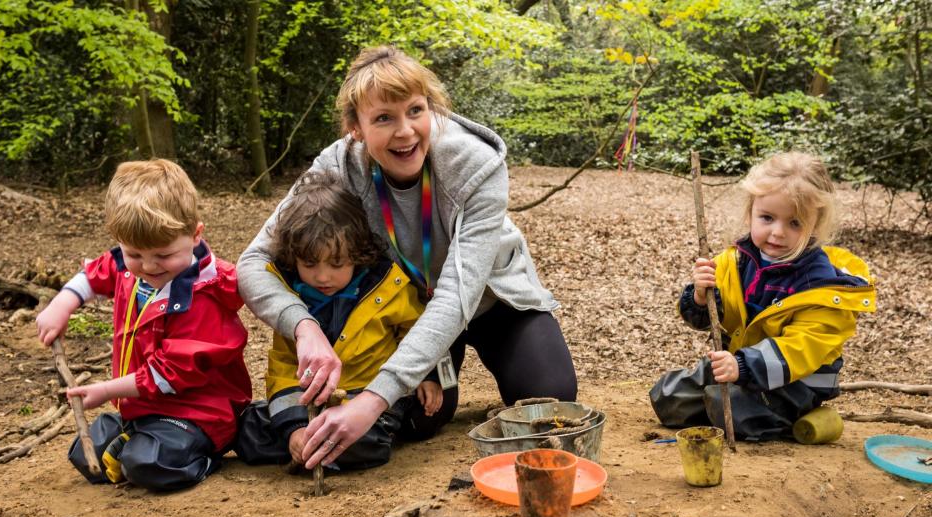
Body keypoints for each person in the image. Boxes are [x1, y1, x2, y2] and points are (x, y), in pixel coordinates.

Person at [237, 45, 576, 470]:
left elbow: (458, 294)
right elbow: (252, 263)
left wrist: (373, 401)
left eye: (415, 111)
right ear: (355, 129)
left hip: (490, 299)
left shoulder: (477, 164)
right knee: (424, 416)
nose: (405, 132)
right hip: (408, 311)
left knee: (550, 398)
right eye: (383, 118)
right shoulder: (337, 167)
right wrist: (303, 325)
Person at [36, 159, 252, 490]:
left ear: (195, 235)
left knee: (147, 464)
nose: (148, 266)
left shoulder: (203, 295)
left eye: (163, 255)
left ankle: (208, 454)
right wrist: (62, 304)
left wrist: (107, 390)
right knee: (85, 453)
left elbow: (169, 373)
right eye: (135, 254)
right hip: (141, 404)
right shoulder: (129, 266)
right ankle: (136, 433)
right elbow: (97, 273)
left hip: (198, 412)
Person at [649, 152, 876, 441]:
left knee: (725, 406)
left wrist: (742, 366)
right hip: (738, 365)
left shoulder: (825, 287)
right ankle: (721, 401)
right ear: (750, 213)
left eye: (794, 223)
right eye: (767, 218)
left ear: (815, 226)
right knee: (668, 397)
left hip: (796, 381)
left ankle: (799, 419)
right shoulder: (734, 262)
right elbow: (707, 321)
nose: (777, 232)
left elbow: (799, 348)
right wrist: (700, 298)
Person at [233, 171, 443, 469]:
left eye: (336, 264)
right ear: (293, 258)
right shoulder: (289, 298)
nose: (322, 276)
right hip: (308, 404)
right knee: (247, 432)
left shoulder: (390, 287)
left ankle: (324, 450)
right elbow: (283, 367)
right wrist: (294, 428)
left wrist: (429, 376)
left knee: (371, 437)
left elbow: (419, 333)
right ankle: (310, 446)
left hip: (369, 396)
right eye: (309, 264)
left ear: (357, 254)